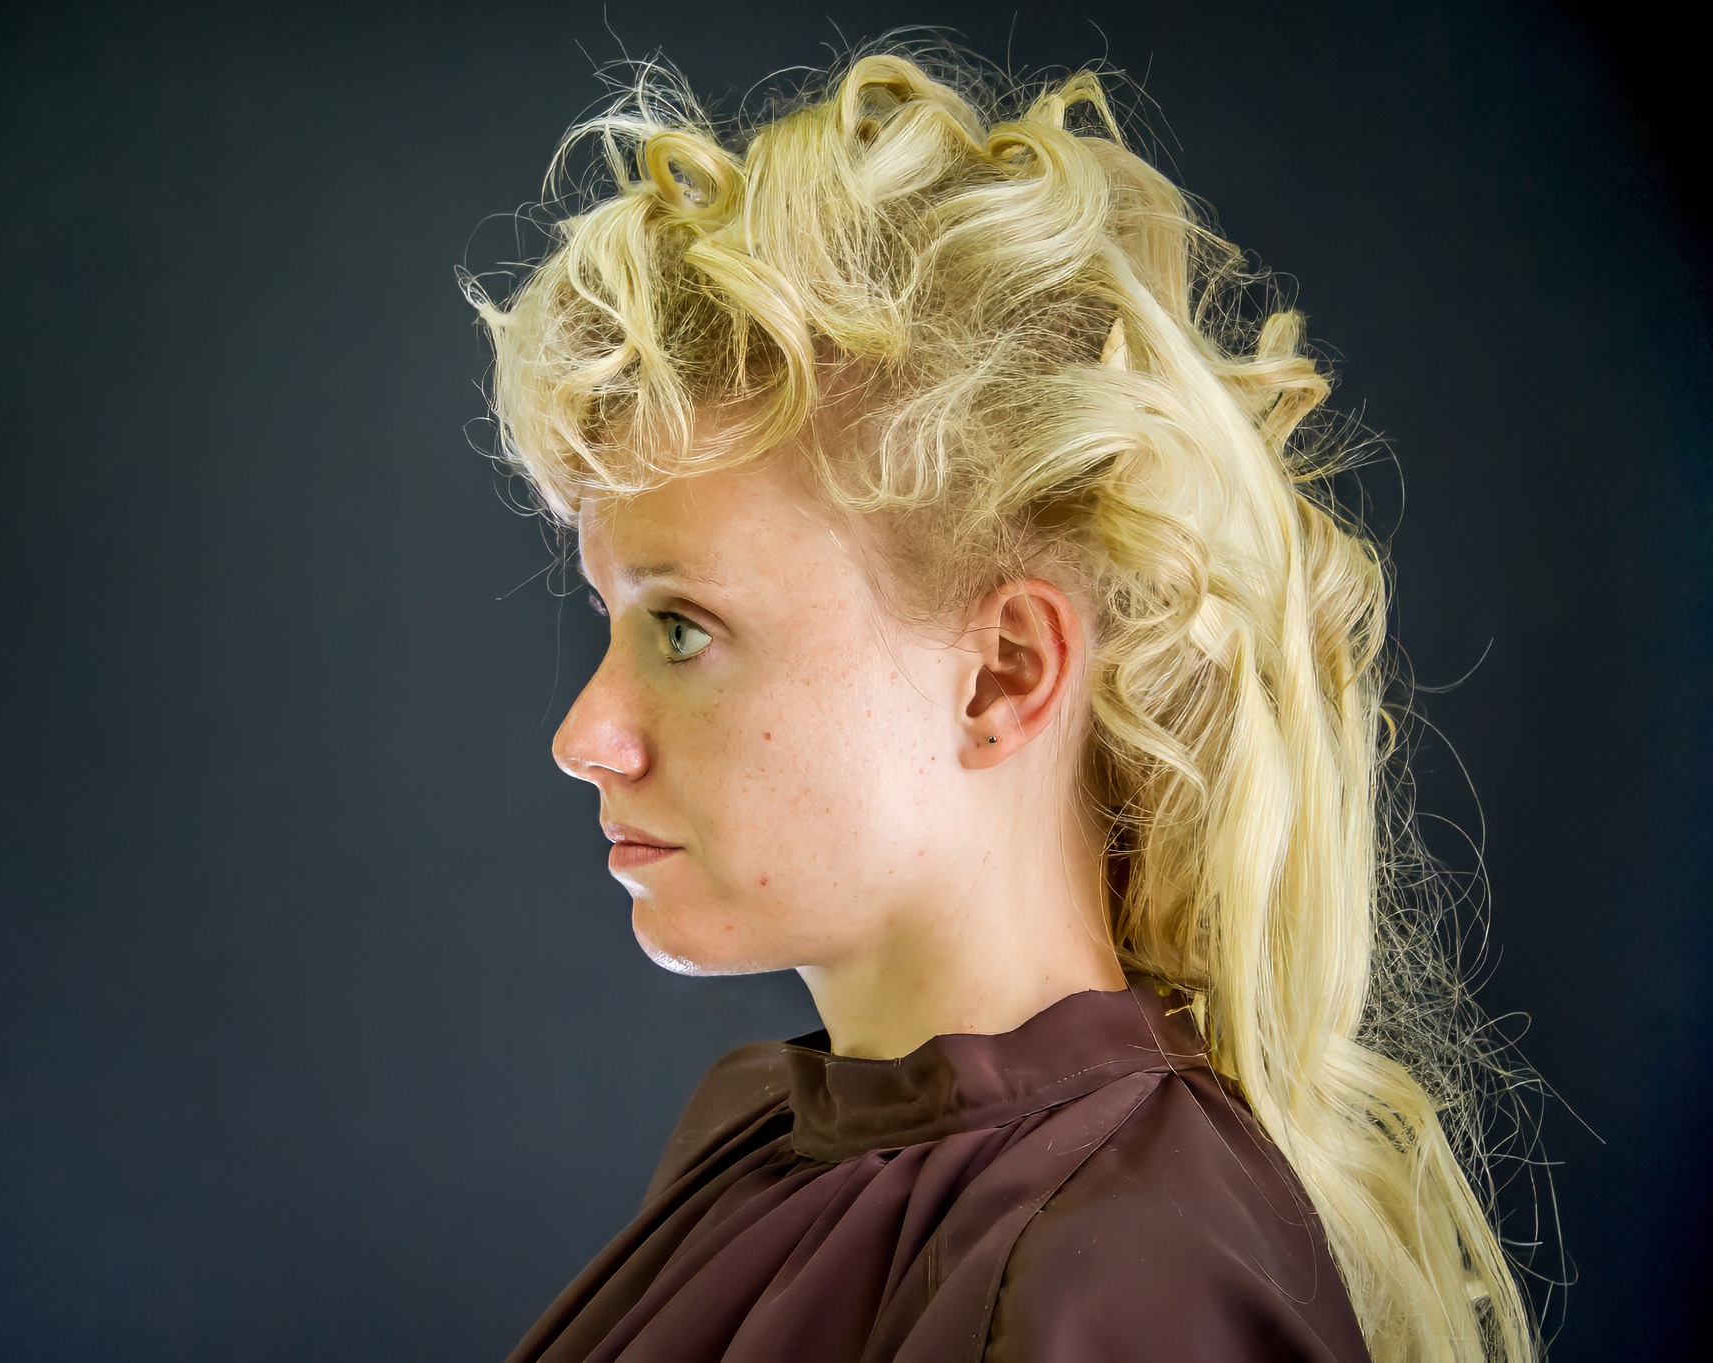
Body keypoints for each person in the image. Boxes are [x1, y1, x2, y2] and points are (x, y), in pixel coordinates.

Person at [467, 48, 1532, 1363]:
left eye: (683, 628)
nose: (586, 737)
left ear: (1004, 675)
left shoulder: (1133, 1291)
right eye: (614, 618)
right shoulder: (761, 1146)